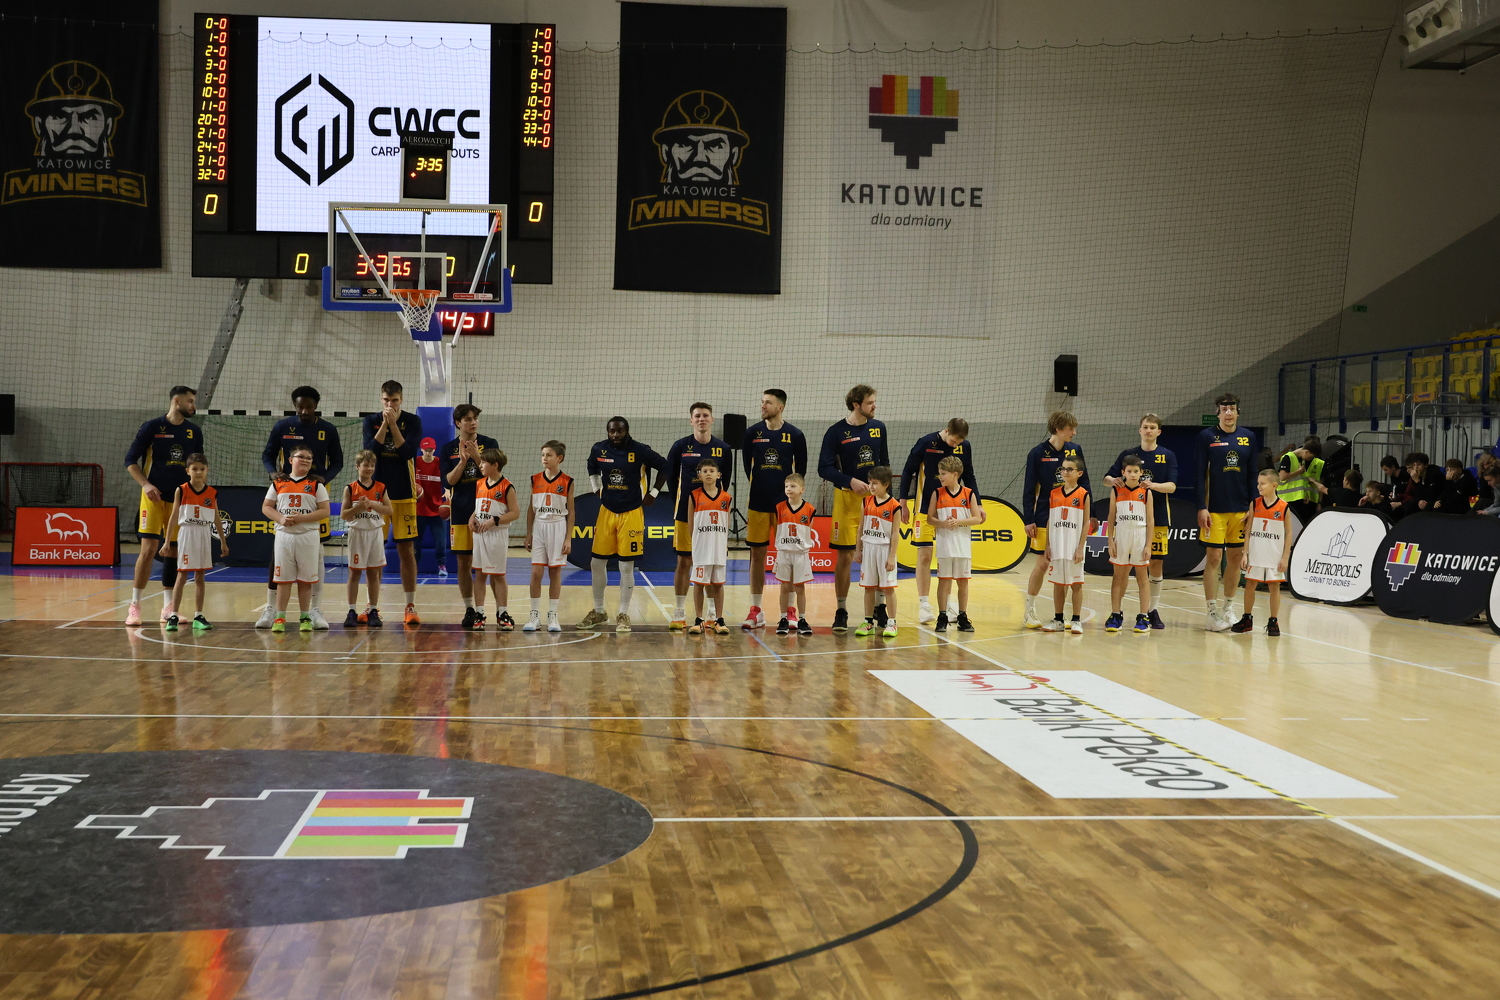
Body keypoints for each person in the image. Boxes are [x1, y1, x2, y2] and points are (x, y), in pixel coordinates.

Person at [257, 386, 343, 628]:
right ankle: (271, 609)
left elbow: (338, 461)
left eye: (309, 407)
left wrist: (323, 478)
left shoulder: (328, 429)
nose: (304, 411)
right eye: (300, 407)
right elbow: (267, 455)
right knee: (277, 559)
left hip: (313, 494)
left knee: (317, 556)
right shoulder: (283, 427)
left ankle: (314, 609)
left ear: (316, 406)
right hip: (286, 492)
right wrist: (272, 473)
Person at [124, 385, 203, 627]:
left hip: (179, 499)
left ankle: (168, 608)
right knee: (148, 550)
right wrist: (146, 484)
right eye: (190, 401)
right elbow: (130, 461)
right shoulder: (152, 427)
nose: (193, 406)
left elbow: (197, 466)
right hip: (153, 498)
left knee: (174, 551)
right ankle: (135, 606)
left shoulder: (194, 431)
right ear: (176, 401)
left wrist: (196, 491)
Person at [580, 417, 668, 633]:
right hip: (606, 511)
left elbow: (666, 467)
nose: (615, 435)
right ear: (607, 431)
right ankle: (599, 611)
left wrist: (654, 492)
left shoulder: (640, 450)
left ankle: (623, 613)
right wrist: (596, 488)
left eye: (619, 431)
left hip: (632, 512)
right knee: (596, 563)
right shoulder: (599, 449)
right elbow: (591, 466)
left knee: (626, 566)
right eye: (612, 431)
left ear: (627, 431)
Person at [819, 384, 889, 632]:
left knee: (879, 554)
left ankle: (880, 606)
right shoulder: (836, 432)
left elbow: (884, 465)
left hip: (875, 501)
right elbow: (824, 468)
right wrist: (850, 480)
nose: (874, 406)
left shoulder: (879, 428)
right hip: (847, 500)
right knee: (846, 557)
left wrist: (886, 496)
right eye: (870, 402)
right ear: (856, 405)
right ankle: (841, 609)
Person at [1103, 413, 1177, 629]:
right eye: (1145, 427)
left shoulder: (1167, 455)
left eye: (1152, 427)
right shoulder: (1128, 455)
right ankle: (1117, 612)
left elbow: (1172, 487)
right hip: (1126, 522)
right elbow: (1106, 479)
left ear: (1158, 431)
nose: (1148, 430)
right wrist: (1114, 481)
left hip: (1156, 516)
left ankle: (1151, 610)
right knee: (1123, 570)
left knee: (1155, 563)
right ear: (1140, 430)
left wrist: (1152, 485)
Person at [901, 418, 977, 625]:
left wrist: (978, 504)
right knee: (925, 555)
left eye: (959, 443)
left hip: (950, 508)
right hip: (925, 507)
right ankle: (924, 604)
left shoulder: (964, 447)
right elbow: (908, 470)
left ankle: (949, 605)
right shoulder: (926, 442)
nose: (956, 445)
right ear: (947, 430)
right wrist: (903, 501)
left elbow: (969, 475)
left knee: (950, 556)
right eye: (954, 441)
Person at [743, 390, 807, 629]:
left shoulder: (795, 435)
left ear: (780, 407)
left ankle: (789, 610)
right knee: (757, 555)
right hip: (758, 503)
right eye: (762, 402)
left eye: (768, 403)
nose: (763, 406)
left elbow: (800, 472)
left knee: (788, 555)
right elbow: (748, 467)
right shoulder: (752, 433)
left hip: (785, 507)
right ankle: (755, 610)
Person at [1196, 393, 1259, 632]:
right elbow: (1199, 474)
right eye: (1224, 409)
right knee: (1214, 558)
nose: (1229, 413)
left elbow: (1253, 473)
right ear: (1218, 413)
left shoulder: (1248, 437)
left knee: (1235, 558)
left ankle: (1228, 607)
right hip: (1214, 510)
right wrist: (1202, 506)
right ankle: (1211, 612)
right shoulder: (1206, 437)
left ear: (1238, 412)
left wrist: (1253, 505)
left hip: (1241, 510)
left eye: (1232, 409)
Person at [362, 381, 423, 626]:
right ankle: (372, 606)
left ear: (401, 400)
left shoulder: (413, 421)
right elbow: (370, 453)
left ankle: (410, 605)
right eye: (386, 400)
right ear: (381, 400)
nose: (390, 404)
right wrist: (385, 425)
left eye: (395, 400)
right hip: (377, 494)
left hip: (404, 493)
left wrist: (393, 425)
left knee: (406, 550)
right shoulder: (371, 421)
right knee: (374, 551)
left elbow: (407, 453)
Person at [666, 403, 730, 631]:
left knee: (711, 564)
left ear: (712, 419)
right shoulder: (680, 446)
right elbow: (671, 478)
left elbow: (725, 482)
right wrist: (683, 502)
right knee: (684, 562)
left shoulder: (723, 449)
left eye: (705, 415)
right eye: (697, 416)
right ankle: (679, 612)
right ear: (691, 420)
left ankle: (712, 614)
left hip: (712, 518)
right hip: (686, 514)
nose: (701, 419)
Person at [1022, 411, 1088, 628]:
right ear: (1059, 429)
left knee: (1067, 564)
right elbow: (1029, 488)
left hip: (1072, 516)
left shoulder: (1075, 449)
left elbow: (1085, 483)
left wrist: (1092, 513)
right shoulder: (1037, 453)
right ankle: (1030, 610)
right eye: (1070, 428)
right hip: (1045, 515)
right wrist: (1029, 519)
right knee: (1043, 563)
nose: (1074, 432)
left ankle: (1063, 617)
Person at [440, 403, 499, 629]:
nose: (473, 422)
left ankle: (498, 610)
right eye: (467, 419)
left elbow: (495, 475)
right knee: (463, 562)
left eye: (475, 418)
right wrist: (463, 461)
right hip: (461, 511)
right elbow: (448, 482)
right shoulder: (448, 449)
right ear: (458, 423)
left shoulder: (490, 444)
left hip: (487, 510)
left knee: (489, 564)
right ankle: (469, 609)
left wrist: (476, 457)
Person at [261, 445, 330, 633]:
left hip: (308, 535)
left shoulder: (316, 485)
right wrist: (281, 518)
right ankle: (279, 617)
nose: (306, 460)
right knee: (283, 579)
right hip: (284, 535)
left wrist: (302, 518)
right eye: (302, 457)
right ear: (290, 460)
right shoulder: (278, 483)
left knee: (306, 580)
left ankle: (305, 617)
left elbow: (325, 511)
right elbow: (266, 507)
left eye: (309, 458)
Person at [164, 454, 227, 632]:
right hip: (187, 532)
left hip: (204, 533)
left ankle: (198, 615)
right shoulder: (182, 490)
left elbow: (216, 517)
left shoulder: (212, 492)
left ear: (207, 470)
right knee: (182, 575)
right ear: (187, 471)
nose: (198, 472)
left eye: (202, 469)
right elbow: (174, 516)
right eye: (195, 469)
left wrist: (223, 541)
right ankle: (173, 615)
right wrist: (167, 541)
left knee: (200, 576)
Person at [1231, 469, 1292, 636]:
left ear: (1274, 485)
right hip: (1256, 552)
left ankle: (1273, 621)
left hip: (1274, 554)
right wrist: (1245, 553)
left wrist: (1285, 557)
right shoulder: (1255, 504)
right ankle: (1247, 618)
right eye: (1258, 483)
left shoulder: (1284, 507)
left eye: (1262, 483)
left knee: (1274, 586)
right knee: (1250, 584)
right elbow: (1248, 530)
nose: (1259, 486)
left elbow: (1289, 534)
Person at [927, 456, 983, 633]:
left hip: (962, 545)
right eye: (939, 473)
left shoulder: (969, 493)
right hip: (944, 546)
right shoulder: (937, 493)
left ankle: (962, 616)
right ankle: (942, 616)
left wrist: (959, 522)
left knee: (963, 582)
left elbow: (977, 518)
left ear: (955, 474)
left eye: (943, 473)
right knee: (944, 581)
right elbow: (930, 518)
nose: (940, 476)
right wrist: (942, 523)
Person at [524, 441, 574, 633]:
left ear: (559, 458)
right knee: (536, 573)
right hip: (539, 527)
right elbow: (531, 509)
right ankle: (534, 615)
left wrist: (568, 538)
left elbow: (571, 512)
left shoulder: (567, 481)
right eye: (543, 454)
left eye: (549, 455)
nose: (544, 458)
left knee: (555, 572)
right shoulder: (535, 479)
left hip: (558, 526)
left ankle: (552, 615)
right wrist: (529, 533)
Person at [469, 448, 519, 630]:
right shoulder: (480, 483)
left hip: (496, 535)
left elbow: (515, 513)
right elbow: (479, 507)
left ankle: (502, 613)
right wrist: (472, 518)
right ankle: (479, 613)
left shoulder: (507, 486)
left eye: (484, 462)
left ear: (495, 465)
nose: (480, 465)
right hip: (480, 535)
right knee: (479, 575)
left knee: (498, 575)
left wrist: (494, 520)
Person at [341, 450, 391, 628]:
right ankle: (351, 611)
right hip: (357, 532)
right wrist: (359, 507)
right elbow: (344, 515)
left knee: (373, 573)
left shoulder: (381, 487)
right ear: (357, 466)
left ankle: (373, 610)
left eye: (372, 465)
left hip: (375, 532)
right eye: (365, 465)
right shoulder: (350, 488)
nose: (369, 468)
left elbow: (389, 510)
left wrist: (373, 504)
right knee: (354, 573)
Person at [853, 466, 905, 638]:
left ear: (886, 484)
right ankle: (868, 621)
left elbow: (895, 533)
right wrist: (858, 549)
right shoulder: (866, 502)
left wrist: (892, 556)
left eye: (875, 483)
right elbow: (861, 527)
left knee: (888, 588)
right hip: (869, 548)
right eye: (870, 483)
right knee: (868, 587)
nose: (871, 486)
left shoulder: (894, 506)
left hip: (884, 549)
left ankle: (892, 622)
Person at [1105, 456, 1154, 635]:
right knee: (1118, 576)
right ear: (1123, 472)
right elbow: (1111, 516)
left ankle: (1143, 616)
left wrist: (1148, 545)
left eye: (1136, 471)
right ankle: (1115, 614)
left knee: (1142, 577)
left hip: (1140, 535)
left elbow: (1151, 519)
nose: (1132, 474)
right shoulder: (1116, 490)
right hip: (1122, 534)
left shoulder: (1146, 492)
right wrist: (1110, 540)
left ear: (1141, 473)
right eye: (1129, 471)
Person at [1041, 457, 1089, 634]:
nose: (1065, 472)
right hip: (1057, 545)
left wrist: (1080, 547)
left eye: (1070, 469)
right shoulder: (1054, 493)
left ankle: (1076, 620)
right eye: (1063, 468)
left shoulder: (1083, 494)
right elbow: (1050, 520)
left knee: (1076, 583)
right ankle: (1058, 619)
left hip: (1074, 546)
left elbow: (1086, 523)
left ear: (1079, 473)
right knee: (1058, 584)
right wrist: (1047, 545)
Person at [685, 459, 733, 636]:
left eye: (712, 471)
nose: (708, 474)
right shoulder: (694, 495)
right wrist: (695, 544)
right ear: (699, 475)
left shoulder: (726, 497)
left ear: (718, 475)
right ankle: (699, 619)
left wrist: (725, 543)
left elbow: (726, 523)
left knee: (718, 584)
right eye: (704, 471)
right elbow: (691, 523)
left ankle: (719, 619)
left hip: (718, 547)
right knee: (699, 584)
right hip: (701, 547)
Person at [772, 473, 817, 636]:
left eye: (793, 486)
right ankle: (783, 618)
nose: (789, 489)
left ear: (802, 490)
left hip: (800, 553)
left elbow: (809, 531)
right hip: (784, 552)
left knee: (800, 587)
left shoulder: (810, 509)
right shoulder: (779, 507)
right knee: (784, 587)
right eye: (786, 486)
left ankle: (802, 619)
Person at [414, 436, 448, 577]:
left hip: (437, 509)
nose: (428, 453)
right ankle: (414, 565)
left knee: (440, 543)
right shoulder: (415, 463)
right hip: (419, 509)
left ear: (434, 450)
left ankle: (442, 565)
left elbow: (448, 480)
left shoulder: (440, 463)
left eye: (430, 450)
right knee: (415, 542)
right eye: (425, 450)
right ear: (421, 449)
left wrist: (448, 490)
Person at [1276, 436, 1324, 527]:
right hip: (1287, 499)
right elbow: (1282, 477)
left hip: (1298, 499)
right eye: (1311, 456)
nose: (1310, 459)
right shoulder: (1288, 457)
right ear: (1306, 452)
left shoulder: (1301, 460)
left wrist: (1305, 494)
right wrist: (1299, 471)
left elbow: (1301, 480)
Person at [1390, 452, 1444, 519]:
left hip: (1437, 500)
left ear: (1426, 465)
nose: (1416, 467)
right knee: (1409, 506)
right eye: (1414, 465)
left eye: (1419, 465)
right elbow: (1414, 493)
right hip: (1424, 501)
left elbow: (1430, 495)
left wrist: (1417, 481)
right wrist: (1419, 501)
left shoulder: (1434, 474)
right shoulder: (1415, 476)